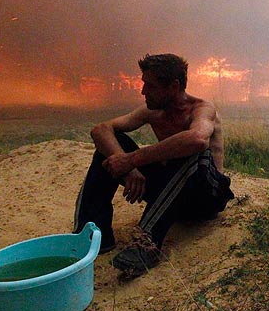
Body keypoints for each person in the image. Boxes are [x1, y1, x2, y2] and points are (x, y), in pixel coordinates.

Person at [73, 53, 234, 277]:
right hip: (170, 194)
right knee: (108, 149)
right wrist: (130, 169)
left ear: (174, 86)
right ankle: (92, 234)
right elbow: (101, 130)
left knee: (195, 153)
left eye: (151, 86)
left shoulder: (202, 108)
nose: (143, 91)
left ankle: (147, 243)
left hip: (205, 197)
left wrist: (132, 160)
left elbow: (197, 139)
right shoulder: (152, 111)